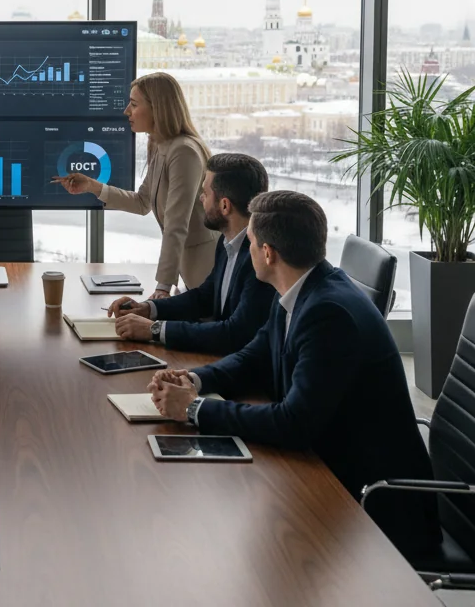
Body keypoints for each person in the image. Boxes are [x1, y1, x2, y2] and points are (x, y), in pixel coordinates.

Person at [149, 190, 440, 556]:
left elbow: (293, 423)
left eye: (252, 243)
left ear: (268, 253)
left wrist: (194, 410)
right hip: (328, 465)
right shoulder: (301, 288)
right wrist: (195, 381)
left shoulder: (329, 314)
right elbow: (255, 355)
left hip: (370, 503)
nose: (247, 251)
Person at [54, 72, 217, 296]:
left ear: (157, 108)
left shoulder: (183, 151)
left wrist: (163, 286)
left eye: (133, 104)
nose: (126, 111)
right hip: (190, 271)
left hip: (204, 270)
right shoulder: (162, 146)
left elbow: (177, 224)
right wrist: (92, 186)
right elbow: (142, 202)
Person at [108, 153, 274, 354]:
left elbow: (235, 334)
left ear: (224, 205)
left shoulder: (260, 258)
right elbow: (204, 297)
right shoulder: (228, 241)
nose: (200, 198)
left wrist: (154, 330)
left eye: (205, 192)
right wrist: (148, 309)